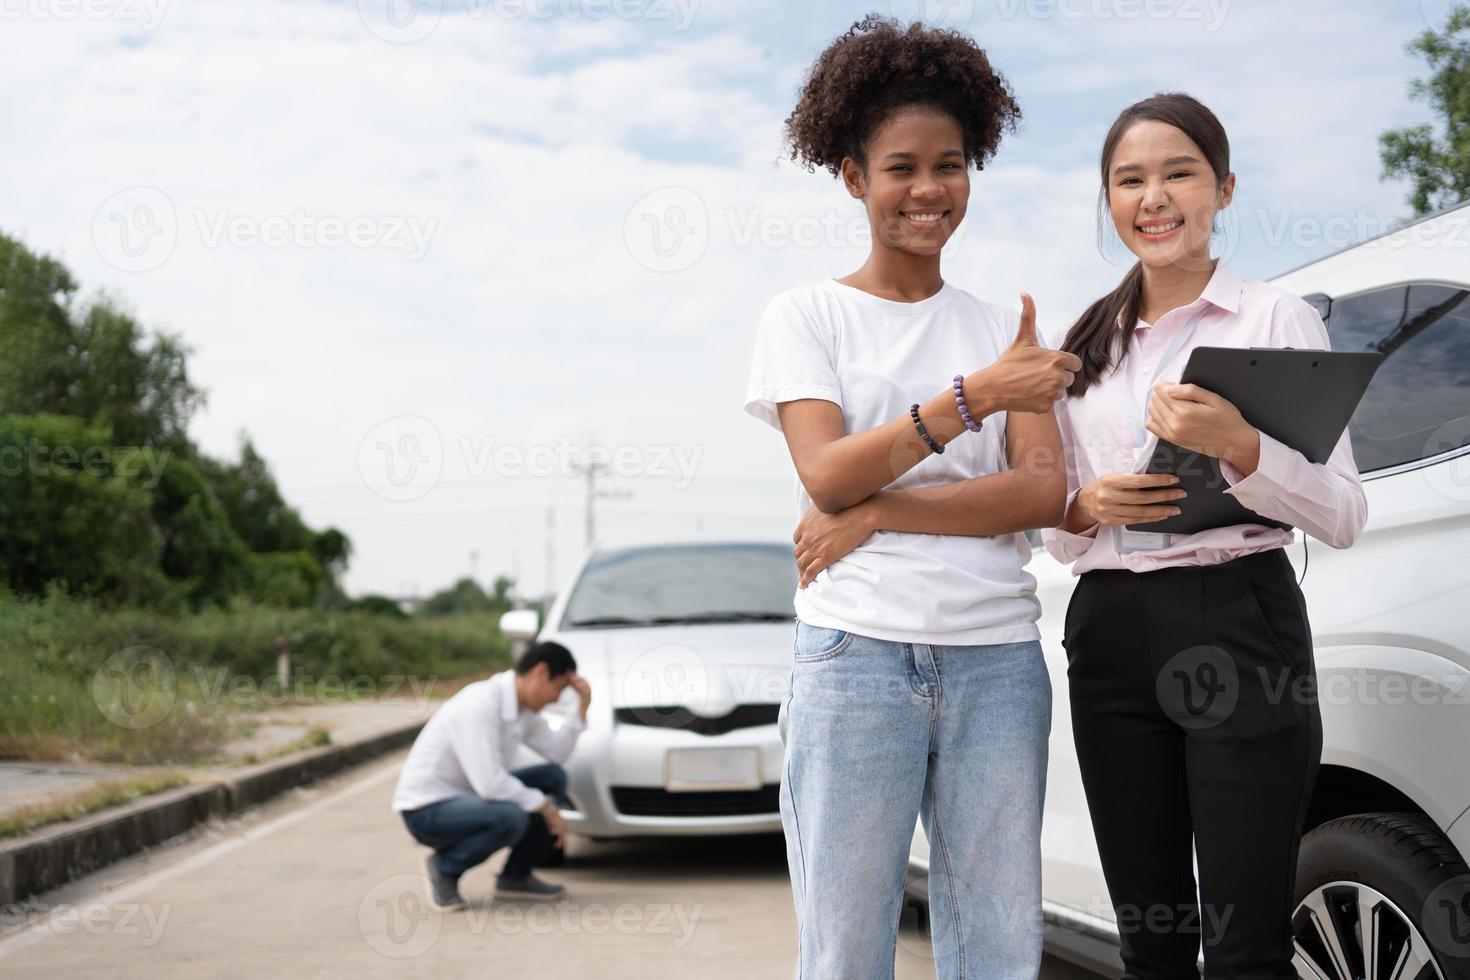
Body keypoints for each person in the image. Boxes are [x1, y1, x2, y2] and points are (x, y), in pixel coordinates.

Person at [743, 15, 1082, 978]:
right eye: (901, 168)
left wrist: (886, 512)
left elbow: (1040, 491)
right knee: (848, 947)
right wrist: (974, 400)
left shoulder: (998, 324)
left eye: (952, 164)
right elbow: (827, 473)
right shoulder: (807, 316)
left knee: (999, 945)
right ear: (853, 176)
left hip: (997, 663)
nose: (928, 190)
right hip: (856, 658)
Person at [1042, 93, 1367, 978]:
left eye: (1179, 173)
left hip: (1237, 619)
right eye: (1130, 180)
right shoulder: (1083, 346)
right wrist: (1087, 506)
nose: (1155, 197)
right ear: (1109, 202)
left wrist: (1241, 446)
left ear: (1222, 189)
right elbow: (1057, 530)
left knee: (1243, 943)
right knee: (1149, 941)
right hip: (1108, 633)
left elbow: (1342, 512)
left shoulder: (1275, 320)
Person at [391, 641, 592, 910]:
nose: (555, 699)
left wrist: (581, 707)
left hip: (468, 799)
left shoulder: (523, 709)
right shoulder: (481, 702)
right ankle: (445, 867)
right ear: (541, 673)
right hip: (427, 811)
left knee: (553, 777)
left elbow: (556, 753)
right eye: (558, 688)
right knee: (511, 817)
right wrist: (546, 808)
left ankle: (516, 877)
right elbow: (490, 783)